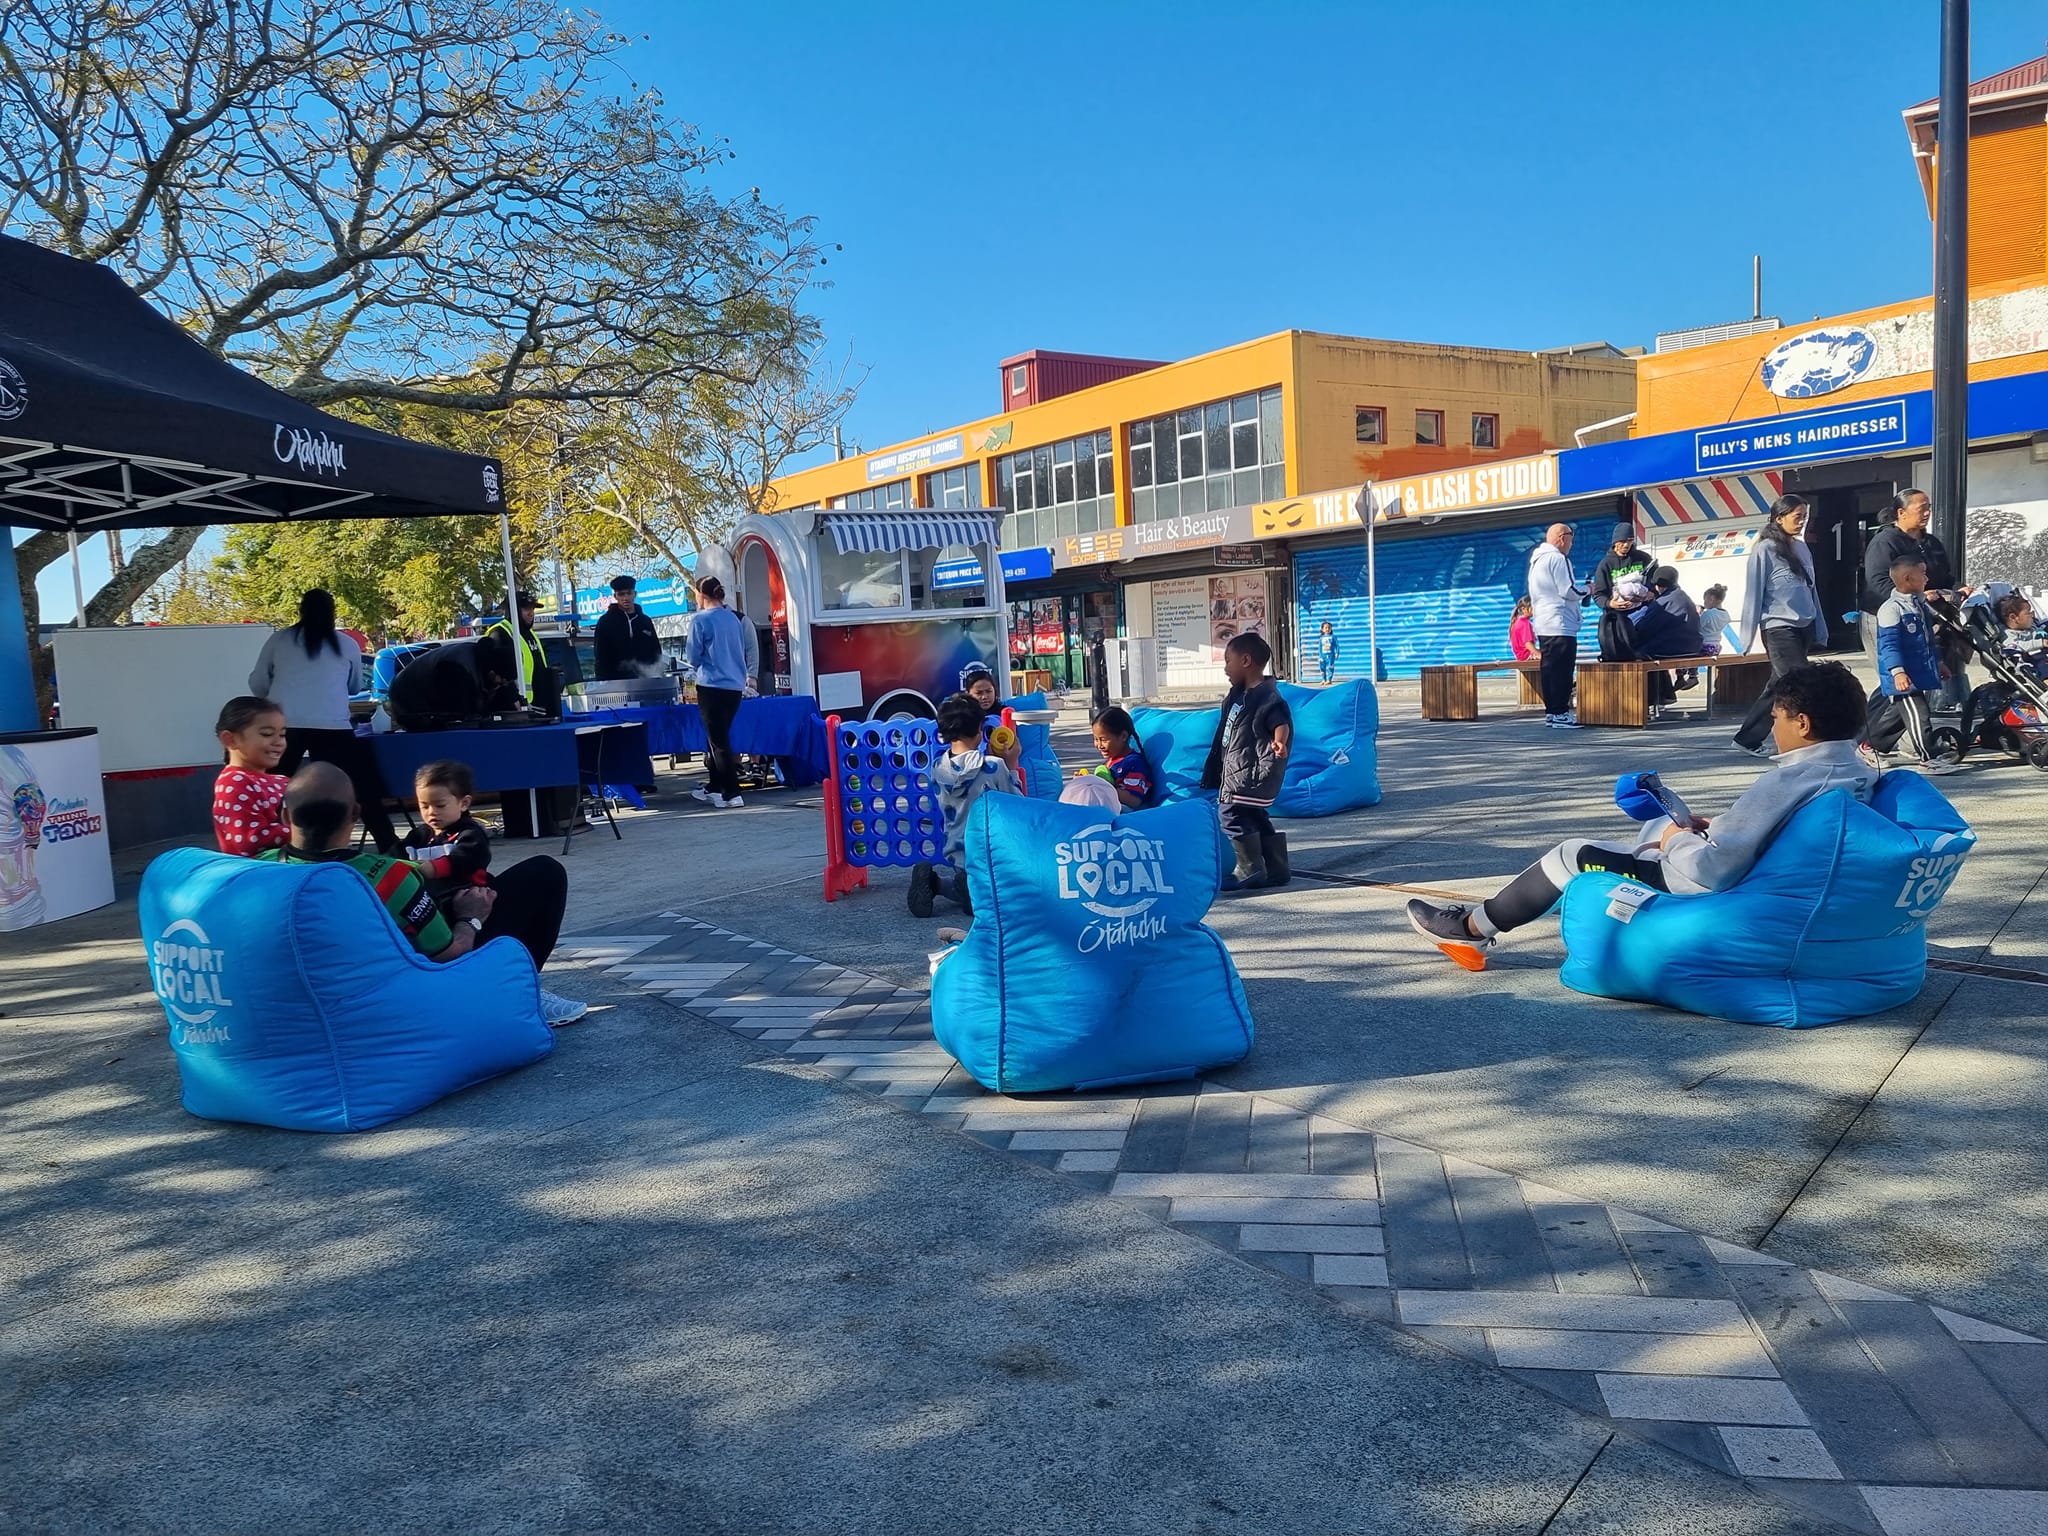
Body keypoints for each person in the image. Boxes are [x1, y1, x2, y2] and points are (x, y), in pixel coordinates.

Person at [1406, 661, 1879, 971]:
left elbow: (1714, 870)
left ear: (1802, 723)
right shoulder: (1856, 768)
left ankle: (1472, 930)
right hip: (1768, 872)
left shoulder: (1788, 779)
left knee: (1573, 854)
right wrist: (1697, 827)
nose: (1772, 728)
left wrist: (1676, 839)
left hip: (1710, 883)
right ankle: (1639, 855)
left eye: (1776, 718)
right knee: (1657, 825)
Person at [260, 762, 586, 1024]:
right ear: (356, 815)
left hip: (309, 996)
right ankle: (521, 992)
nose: (430, 812)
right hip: (407, 990)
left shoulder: (259, 870)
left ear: (286, 816)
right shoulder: (390, 877)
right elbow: (448, 954)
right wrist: (471, 919)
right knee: (545, 871)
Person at [398, 757, 588, 986]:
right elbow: (392, 858)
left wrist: (429, 869)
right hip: (431, 914)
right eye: (424, 806)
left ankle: (522, 985)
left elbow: (467, 859)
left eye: (440, 805)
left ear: (464, 803)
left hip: (466, 899)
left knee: (546, 871)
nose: (431, 813)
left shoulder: (469, 833)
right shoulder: (418, 836)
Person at [249, 588, 400, 853]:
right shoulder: (346, 644)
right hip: (333, 725)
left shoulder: (279, 640)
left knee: (272, 789)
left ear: (301, 611)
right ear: (333, 614)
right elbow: (353, 686)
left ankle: (261, 847)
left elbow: (258, 684)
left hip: (286, 725)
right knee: (361, 787)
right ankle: (389, 844)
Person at [907, 692, 1023, 920]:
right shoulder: (994, 766)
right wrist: (1012, 765)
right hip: (990, 854)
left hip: (957, 852)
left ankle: (937, 883)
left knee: (973, 885)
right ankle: (965, 890)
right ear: (980, 730)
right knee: (1003, 896)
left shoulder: (938, 767)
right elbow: (1016, 805)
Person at [1731, 495, 1826, 759]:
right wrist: (1746, 637)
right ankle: (1811, 738)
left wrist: (1820, 625)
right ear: (1778, 518)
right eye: (1797, 517)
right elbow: (1754, 593)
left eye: (1804, 517)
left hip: (1803, 625)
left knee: (1778, 685)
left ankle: (1747, 738)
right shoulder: (1765, 549)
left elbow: (1811, 590)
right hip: (1778, 626)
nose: (1801, 522)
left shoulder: (1803, 548)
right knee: (1799, 683)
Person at [1201, 632, 1293, 890]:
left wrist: (1280, 741)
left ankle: (1249, 868)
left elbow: (1280, 721)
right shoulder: (1238, 695)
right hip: (1239, 769)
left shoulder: (1267, 698)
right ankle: (1277, 868)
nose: (1225, 668)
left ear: (1246, 661)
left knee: (1229, 814)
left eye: (1228, 661)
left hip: (1249, 773)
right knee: (1256, 817)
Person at [1862, 554, 1960, 775]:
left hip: (1917, 673)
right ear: (1907, 578)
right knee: (1919, 715)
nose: (1926, 578)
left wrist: (1939, 663)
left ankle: (1869, 746)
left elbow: (1928, 640)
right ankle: (1928, 758)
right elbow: (1889, 645)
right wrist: (1897, 672)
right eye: (1922, 574)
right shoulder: (1891, 608)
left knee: (1897, 718)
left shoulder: (1919, 605)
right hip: (1903, 676)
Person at [685, 576, 750, 809]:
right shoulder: (733, 618)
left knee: (719, 741)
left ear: (701, 594)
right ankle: (714, 787)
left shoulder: (700, 620)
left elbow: (692, 657)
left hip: (711, 685)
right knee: (717, 737)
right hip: (734, 686)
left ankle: (731, 793)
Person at [211, 696, 290, 857]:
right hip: (260, 873)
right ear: (230, 739)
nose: (279, 742)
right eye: (267, 734)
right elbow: (247, 840)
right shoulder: (234, 781)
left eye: (282, 735)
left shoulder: (282, 780)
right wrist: (304, 833)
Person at [1527, 523, 1587, 729]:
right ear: (1562, 537)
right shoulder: (1558, 559)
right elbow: (1568, 590)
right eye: (1571, 537)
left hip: (1544, 623)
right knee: (1563, 670)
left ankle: (1552, 712)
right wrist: (1588, 588)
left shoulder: (1537, 561)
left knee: (1549, 669)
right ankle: (1561, 713)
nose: (1572, 542)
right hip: (1561, 623)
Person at [1588, 524, 1657, 663]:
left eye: (1630, 541)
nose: (1626, 545)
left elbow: (1657, 583)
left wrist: (1651, 593)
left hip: (1643, 618)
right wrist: (1610, 603)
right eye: (1623, 541)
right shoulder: (1605, 564)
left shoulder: (1643, 559)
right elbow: (1598, 594)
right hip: (1619, 623)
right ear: (1615, 542)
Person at [1076, 705, 1153, 810]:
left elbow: (1134, 800)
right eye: (1096, 739)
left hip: (1127, 815)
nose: (1099, 745)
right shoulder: (1111, 762)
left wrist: (1101, 788)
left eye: (1103, 740)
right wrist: (1086, 782)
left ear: (1123, 736)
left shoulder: (1134, 764)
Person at [593, 574, 662, 681]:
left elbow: (656, 652)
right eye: (621, 594)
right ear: (615, 596)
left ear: (635, 594)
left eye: (629, 593)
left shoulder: (645, 621)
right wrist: (603, 684)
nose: (625, 598)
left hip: (646, 681)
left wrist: (657, 677)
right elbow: (600, 658)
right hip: (615, 685)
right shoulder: (605, 622)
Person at [483, 590, 547, 703]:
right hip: (519, 708)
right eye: (526, 608)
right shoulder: (500, 633)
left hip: (540, 706)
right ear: (513, 610)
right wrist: (513, 700)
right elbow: (496, 676)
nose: (531, 613)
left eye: (532, 608)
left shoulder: (530, 633)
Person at [1697, 585, 1732, 656]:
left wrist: (1697, 614)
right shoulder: (1726, 615)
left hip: (1704, 647)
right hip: (1716, 647)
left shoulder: (1708, 613)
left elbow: (1697, 628)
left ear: (1711, 599)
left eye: (1705, 599)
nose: (1704, 602)